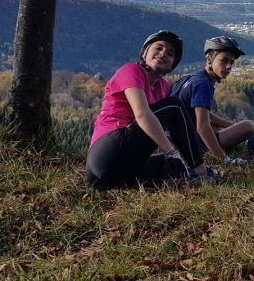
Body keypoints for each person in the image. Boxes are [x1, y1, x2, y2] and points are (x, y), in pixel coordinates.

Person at [86, 30, 219, 189]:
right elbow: (142, 115)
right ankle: (200, 171)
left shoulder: (163, 87)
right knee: (175, 106)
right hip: (106, 153)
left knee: (168, 164)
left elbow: (171, 125)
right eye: (158, 48)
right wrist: (172, 152)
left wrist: (176, 159)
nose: (163, 54)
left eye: (170, 54)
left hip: (116, 175)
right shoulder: (131, 71)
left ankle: (186, 178)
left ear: (172, 65)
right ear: (144, 53)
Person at [170, 36, 254, 165]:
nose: (228, 66)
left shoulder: (192, 77)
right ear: (209, 59)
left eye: (231, 62)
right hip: (189, 144)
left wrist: (232, 126)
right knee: (248, 126)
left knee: (219, 127)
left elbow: (206, 116)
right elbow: (202, 127)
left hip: (174, 139)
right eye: (224, 60)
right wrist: (224, 159)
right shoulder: (203, 84)